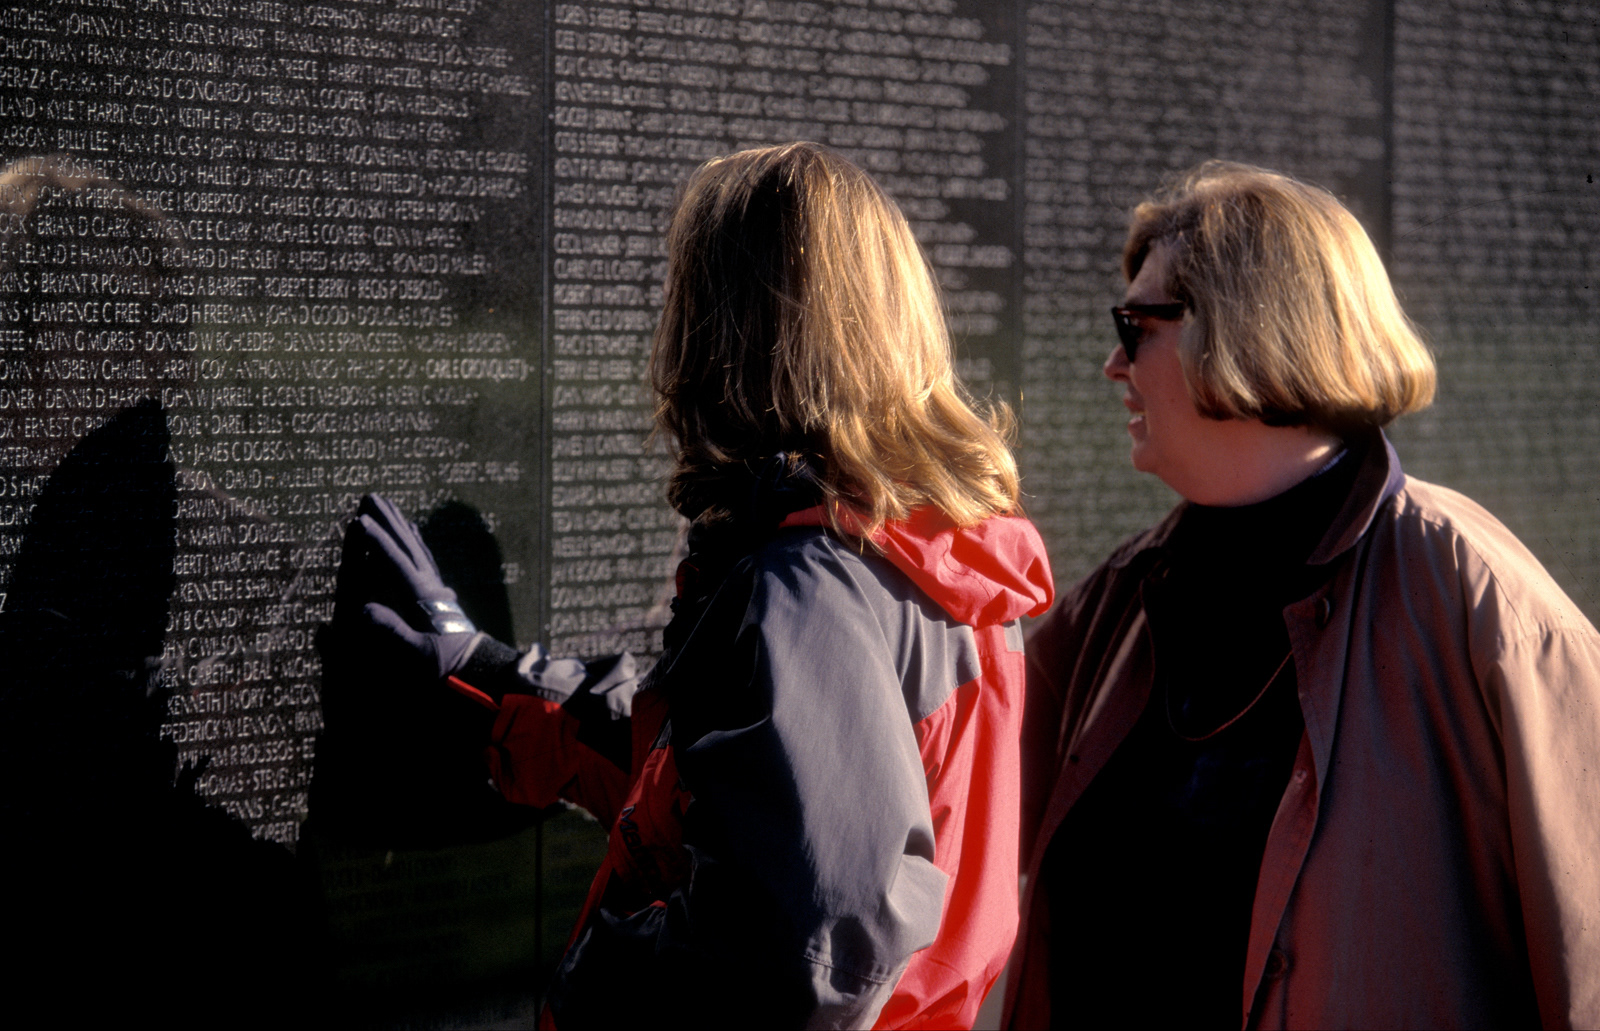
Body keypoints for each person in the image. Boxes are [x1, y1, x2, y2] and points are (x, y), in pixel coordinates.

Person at [326, 142, 1054, 1028]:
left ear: (732, 330)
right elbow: (732, 785)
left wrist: (592, 980)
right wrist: (491, 678)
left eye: (684, 290)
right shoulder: (928, 554)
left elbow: (805, 946)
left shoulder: (812, 586)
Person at [1004, 162, 1600, 1029]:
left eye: (1136, 327)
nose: (1110, 364)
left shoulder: (1483, 605)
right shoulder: (1120, 601)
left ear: (1246, 329)